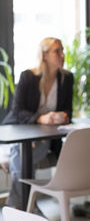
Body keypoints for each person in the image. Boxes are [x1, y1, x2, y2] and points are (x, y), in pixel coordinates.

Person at [1, 37, 73, 208]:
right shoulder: (28, 77)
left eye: (62, 51)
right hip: (22, 133)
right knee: (21, 151)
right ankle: (28, 208)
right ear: (44, 55)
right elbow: (17, 111)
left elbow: (69, 110)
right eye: (57, 51)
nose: (62, 55)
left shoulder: (67, 78)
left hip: (48, 137)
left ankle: (19, 206)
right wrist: (40, 118)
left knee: (19, 155)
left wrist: (62, 117)